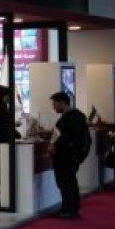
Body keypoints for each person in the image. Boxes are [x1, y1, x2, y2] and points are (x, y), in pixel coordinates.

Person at [48, 91, 89, 219]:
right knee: (69, 182)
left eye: (54, 104)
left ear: (62, 102)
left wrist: (54, 146)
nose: (53, 107)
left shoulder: (69, 119)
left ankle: (69, 210)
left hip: (66, 156)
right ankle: (70, 208)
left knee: (66, 183)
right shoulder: (77, 116)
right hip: (72, 155)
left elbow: (63, 137)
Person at [0, 85, 21, 211]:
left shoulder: (2, 106)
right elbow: (0, 126)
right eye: (8, 96)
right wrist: (14, 131)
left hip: (3, 144)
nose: (10, 98)